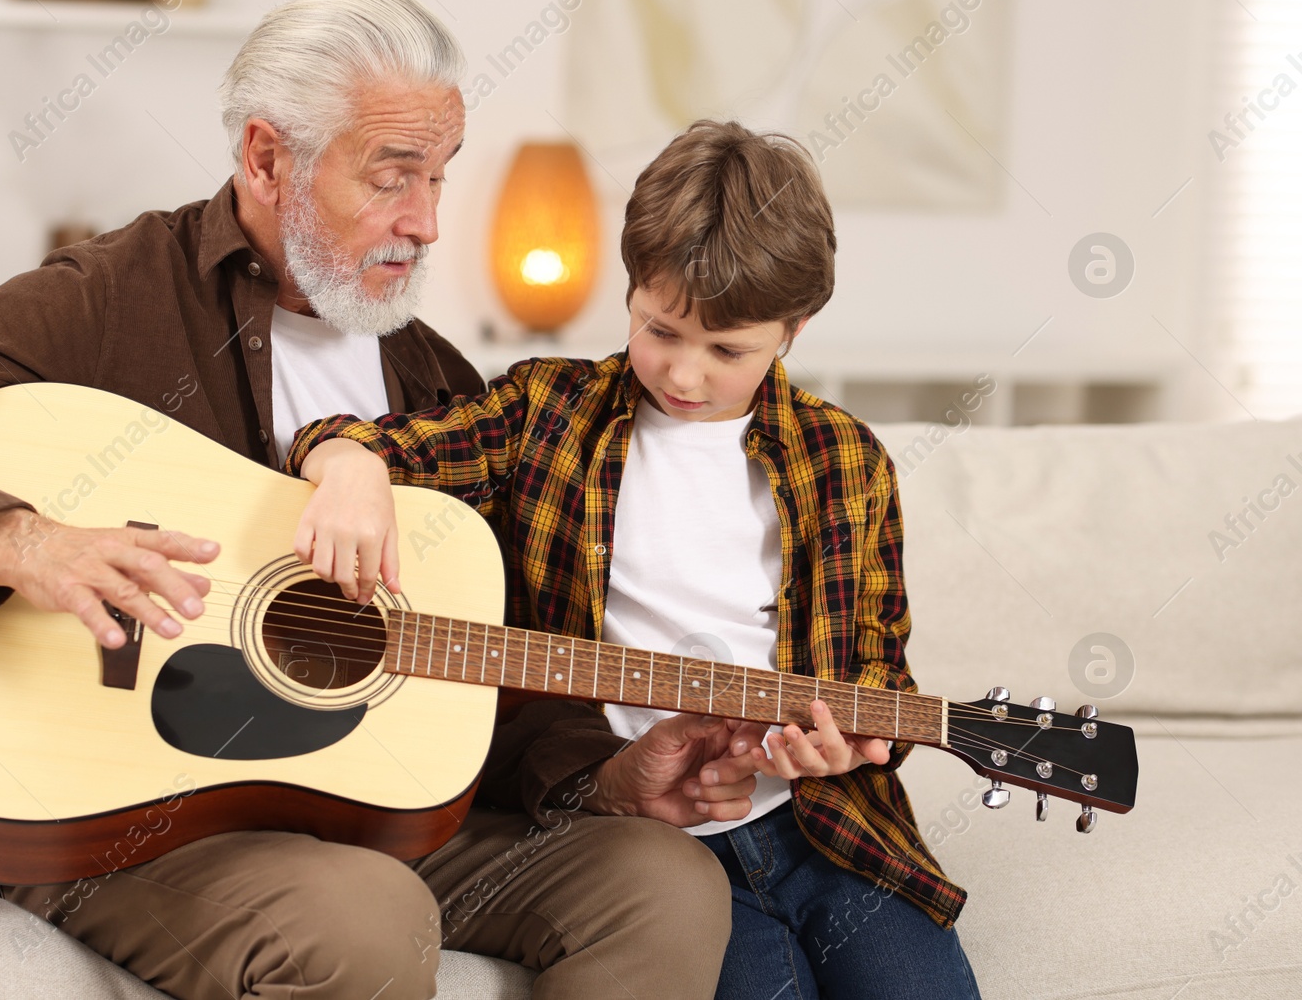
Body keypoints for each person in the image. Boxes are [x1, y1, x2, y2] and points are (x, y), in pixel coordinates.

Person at [0, 0, 745, 1000]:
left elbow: (476, 667)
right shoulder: (112, 295)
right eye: (394, 175)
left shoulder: (437, 381)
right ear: (267, 158)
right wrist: (22, 542)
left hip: (362, 810)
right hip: (124, 808)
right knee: (362, 918)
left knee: (664, 882)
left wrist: (607, 777)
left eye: (440, 176)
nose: (429, 221)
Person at [286, 119, 984, 1000]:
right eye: (662, 331)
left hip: (823, 832)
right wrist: (343, 460)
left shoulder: (846, 460)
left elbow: (876, 671)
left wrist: (845, 749)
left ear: (794, 330)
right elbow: (382, 442)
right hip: (644, 839)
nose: (685, 374)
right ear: (631, 291)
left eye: (729, 350)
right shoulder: (545, 411)